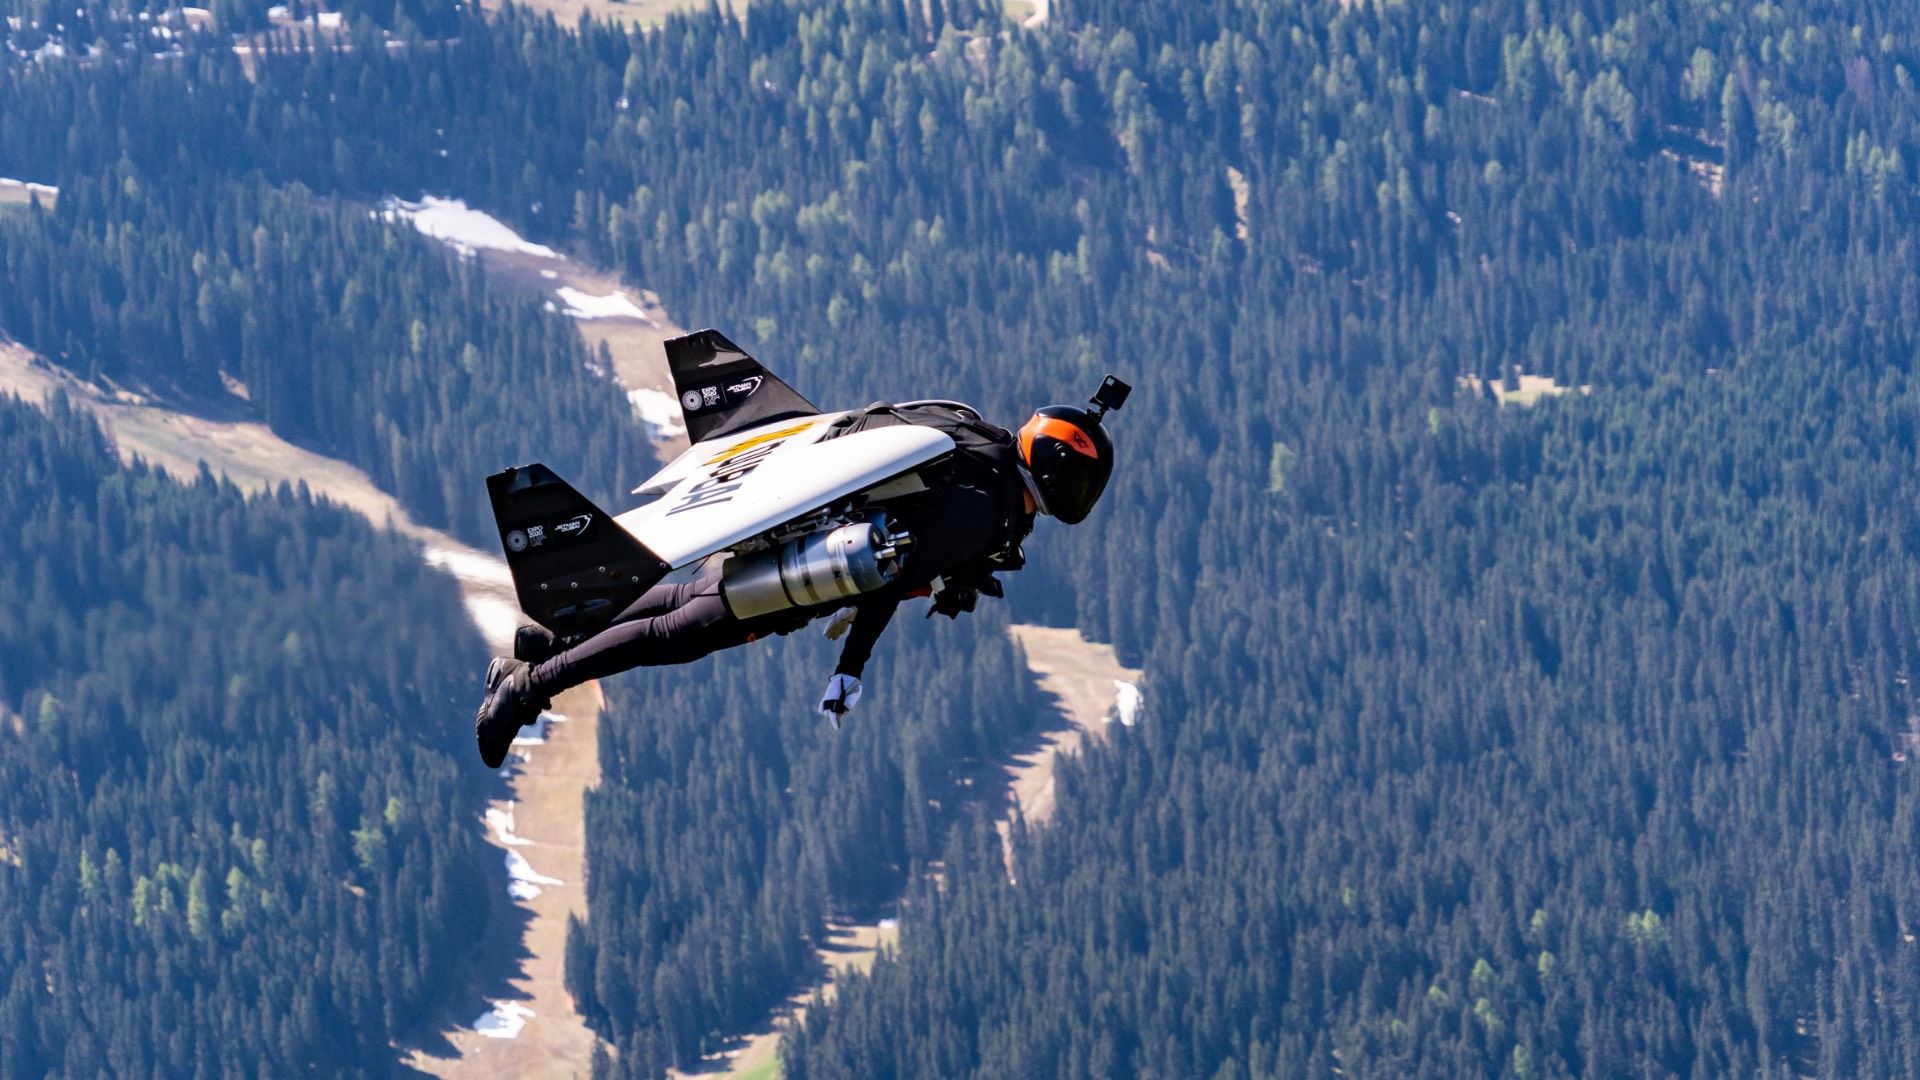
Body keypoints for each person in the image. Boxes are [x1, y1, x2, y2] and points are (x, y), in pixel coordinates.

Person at [474, 399, 1117, 768]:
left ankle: (545, 647)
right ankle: (528, 687)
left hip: (789, 536)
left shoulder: (979, 441)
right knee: (670, 633)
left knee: (674, 602)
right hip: (792, 582)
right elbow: (892, 575)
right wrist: (852, 664)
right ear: (1061, 473)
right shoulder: (984, 510)